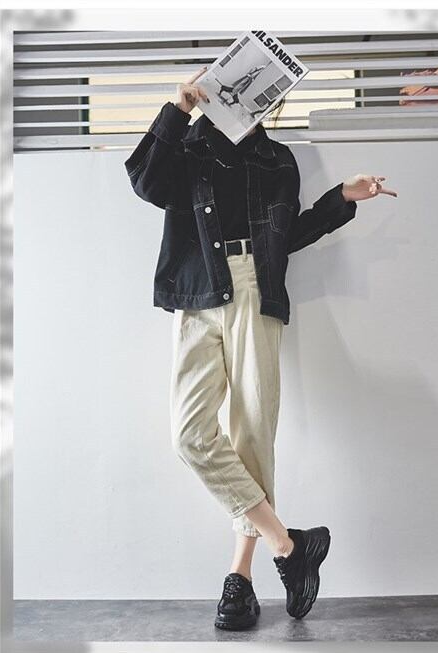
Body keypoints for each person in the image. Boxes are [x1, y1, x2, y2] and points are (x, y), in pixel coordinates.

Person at [124, 66, 398, 631]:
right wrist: (178, 110)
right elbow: (147, 185)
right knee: (189, 435)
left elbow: (286, 237)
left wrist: (340, 199)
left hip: (255, 285)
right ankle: (288, 546)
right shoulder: (189, 148)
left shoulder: (278, 160)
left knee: (252, 432)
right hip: (198, 289)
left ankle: (240, 578)